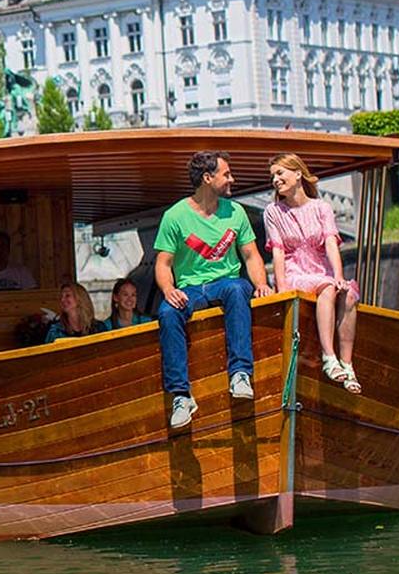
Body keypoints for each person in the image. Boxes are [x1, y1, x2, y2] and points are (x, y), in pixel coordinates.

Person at [154, 151, 271, 429]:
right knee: (168, 312)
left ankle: (240, 373)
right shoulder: (175, 216)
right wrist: (169, 288)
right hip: (190, 287)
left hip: (225, 283)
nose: (232, 179)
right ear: (208, 178)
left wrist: (262, 285)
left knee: (237, 289)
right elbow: (163, 263)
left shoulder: (236, 211)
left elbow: (251, 256)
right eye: (226, 174)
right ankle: (181, 396)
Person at [263, 154, 362, 395]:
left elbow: (330, 243)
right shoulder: (272, 212)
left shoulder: (322, 207)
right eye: (273, 176)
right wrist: (282, 287)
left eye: (280, 173)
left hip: (321, 270)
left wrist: (339, 275)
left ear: (298, 174)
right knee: (327, 287)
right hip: (293, 271)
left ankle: (347, 365)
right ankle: (329, 357)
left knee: (348, 293)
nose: (275, 180)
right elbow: (277, 252)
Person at [45, 282, 109, 342]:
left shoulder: (98, 327)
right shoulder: (55, 330)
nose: (62, 300)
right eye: (61, 297)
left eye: (67, 295)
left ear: (80, 298)